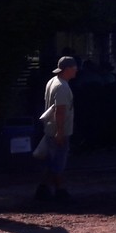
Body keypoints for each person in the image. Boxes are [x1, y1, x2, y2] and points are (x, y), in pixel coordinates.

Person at [35, 55, 77, 202]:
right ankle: (60, 191)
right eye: (74, 67)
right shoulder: (62, 87)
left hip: (50, 128)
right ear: (68, 69)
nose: (76, 70)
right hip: (58, 130)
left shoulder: (52, 81)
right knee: (58, 162)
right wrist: (60, 131)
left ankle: (43, 189)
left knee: (52, 161)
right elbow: (60, 111)